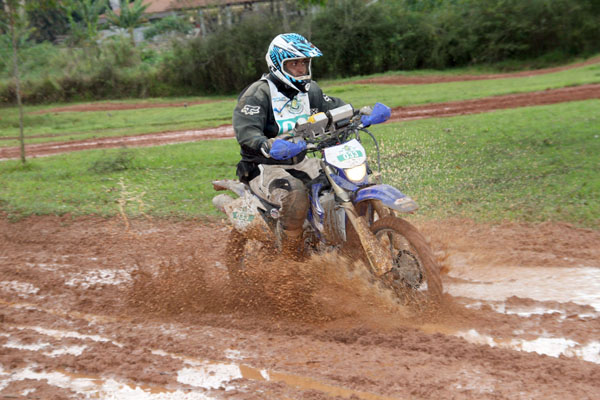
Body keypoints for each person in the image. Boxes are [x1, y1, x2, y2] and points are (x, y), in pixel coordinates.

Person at [233, 33, 346, 254]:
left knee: (344, 178)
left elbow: (334, 108)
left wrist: (362, 114)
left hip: (302, 161)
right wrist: (265, 144)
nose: (301, 68)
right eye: (294, 63)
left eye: (304, 62)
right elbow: (246, 131)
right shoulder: (258, 94)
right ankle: (290, 257)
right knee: (296, 195)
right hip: (264, 168)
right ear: (278, 64)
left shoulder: (310, 90)